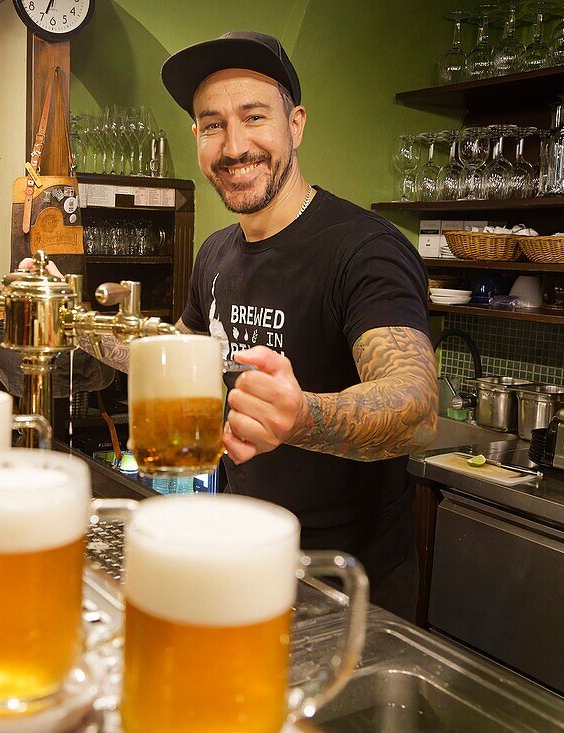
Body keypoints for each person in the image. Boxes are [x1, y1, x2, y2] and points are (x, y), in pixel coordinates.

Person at [80, 31, 439, 619]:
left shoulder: (364, 249)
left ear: (295, 124)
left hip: (343, 587)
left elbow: (417, 407)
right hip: (241, 556)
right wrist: (72, 325)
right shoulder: (217, 252)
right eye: (212, 125)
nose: (234, 145)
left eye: (254, 117)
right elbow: (178, 353)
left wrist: (302, 417)